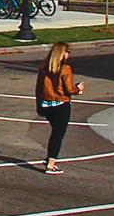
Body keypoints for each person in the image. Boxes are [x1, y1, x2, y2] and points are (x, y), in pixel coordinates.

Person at [35, 41, 83, 173]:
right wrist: (78, 89)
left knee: (55, 131)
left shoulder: (44, 66)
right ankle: (51, 163)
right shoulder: (65, 68)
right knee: (58, 134)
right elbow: (68, 89)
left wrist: (38, 104)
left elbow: (39, 88)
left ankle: (50, 158)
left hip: (46, 104)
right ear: (63, 53)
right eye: (68, 52)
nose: (69, 55)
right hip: (61, 104)